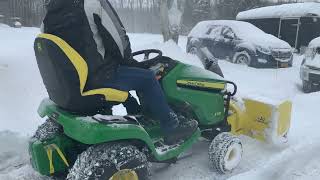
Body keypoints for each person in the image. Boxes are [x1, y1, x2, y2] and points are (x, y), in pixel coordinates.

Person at [41, 0, 198, 144]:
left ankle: (136, 112)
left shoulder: (49, 14)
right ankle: (171, 126)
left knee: (123, 75)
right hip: (97, 76)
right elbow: (118, 39)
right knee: (148, 78)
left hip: (71, 84)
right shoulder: (92, 3)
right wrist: (131, 63)